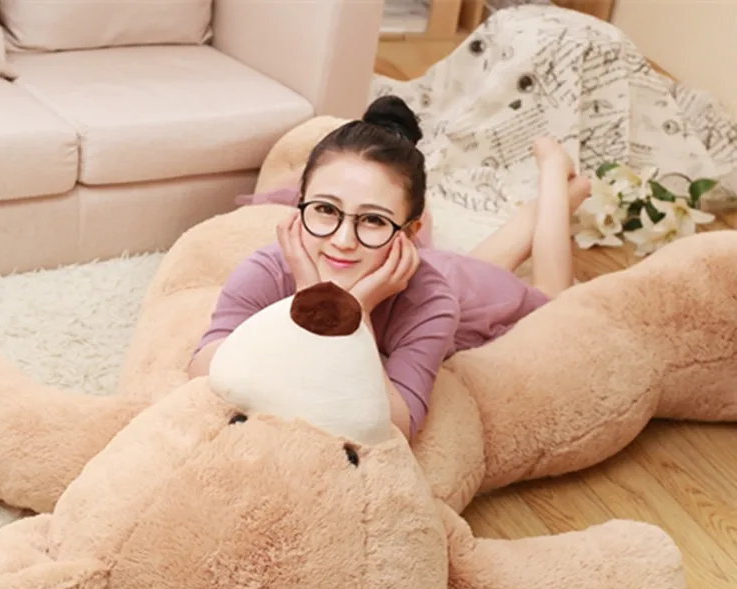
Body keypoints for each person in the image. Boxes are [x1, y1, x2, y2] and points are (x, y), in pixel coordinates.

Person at [188, 95, 591, 442]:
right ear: (300, 205)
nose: (342, 240)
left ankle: (555, 174)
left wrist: (354, 314)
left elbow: (396, 425)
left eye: (373, 220)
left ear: (411, 231)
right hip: (436, 269)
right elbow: (201, 370)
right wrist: (310, 299)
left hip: (468, 294)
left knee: (553, 296)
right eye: (326, 210)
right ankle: (561, 197)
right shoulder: (268, 269)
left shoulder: (431, 304)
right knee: (474, 266)